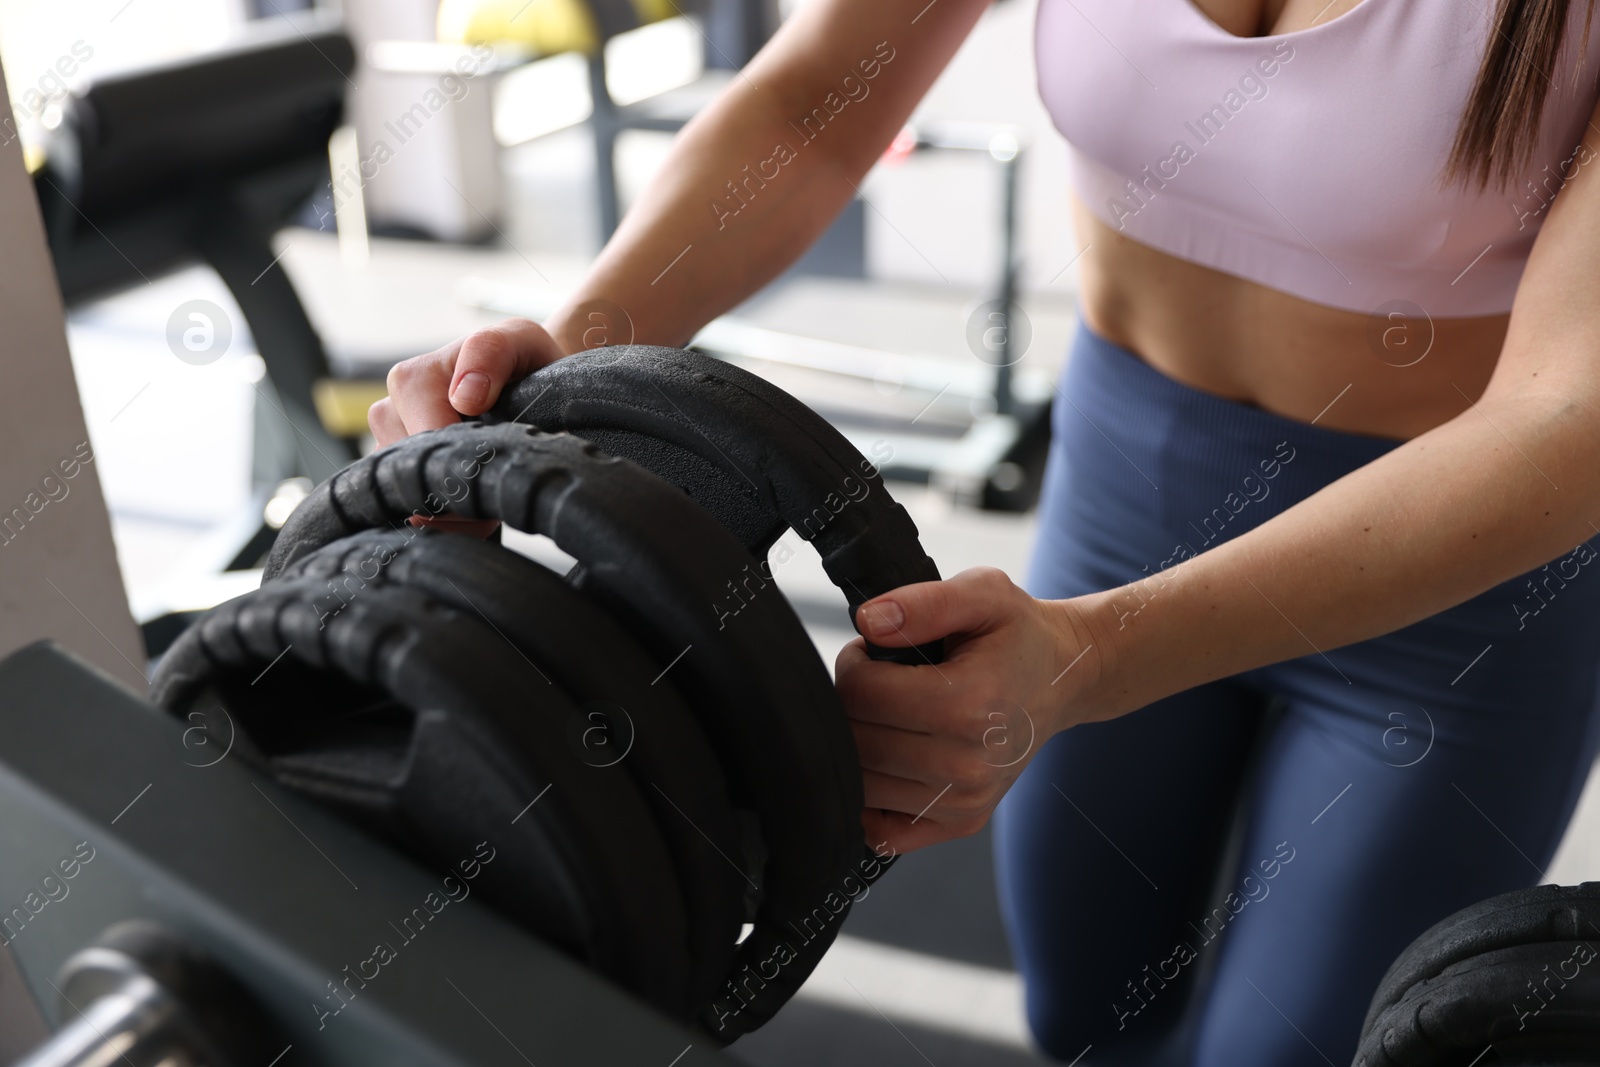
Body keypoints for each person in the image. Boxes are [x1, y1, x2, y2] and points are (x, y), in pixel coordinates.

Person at [371, 0, 1600, 1061]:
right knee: (1082, 1003)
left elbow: (1566, 413)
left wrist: (1091, 655)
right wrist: (576, 350)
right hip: (1125, 488)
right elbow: (814, 106)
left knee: (1294, 1052)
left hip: (1454, 594)